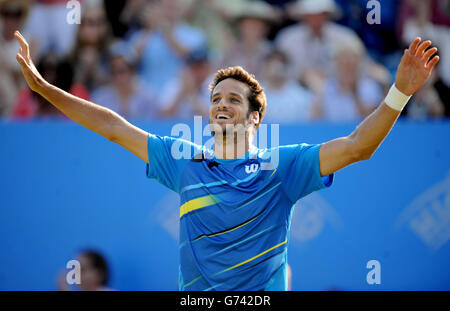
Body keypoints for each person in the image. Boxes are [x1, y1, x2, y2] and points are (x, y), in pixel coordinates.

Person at [15, 30, 439, 290]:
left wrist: (398, 93)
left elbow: (356, 146)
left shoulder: (282, 167)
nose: (221, 104)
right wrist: (45, 89)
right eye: (216, 98)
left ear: (255, 116)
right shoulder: (182, 161)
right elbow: (112, 125)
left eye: (233, 99)